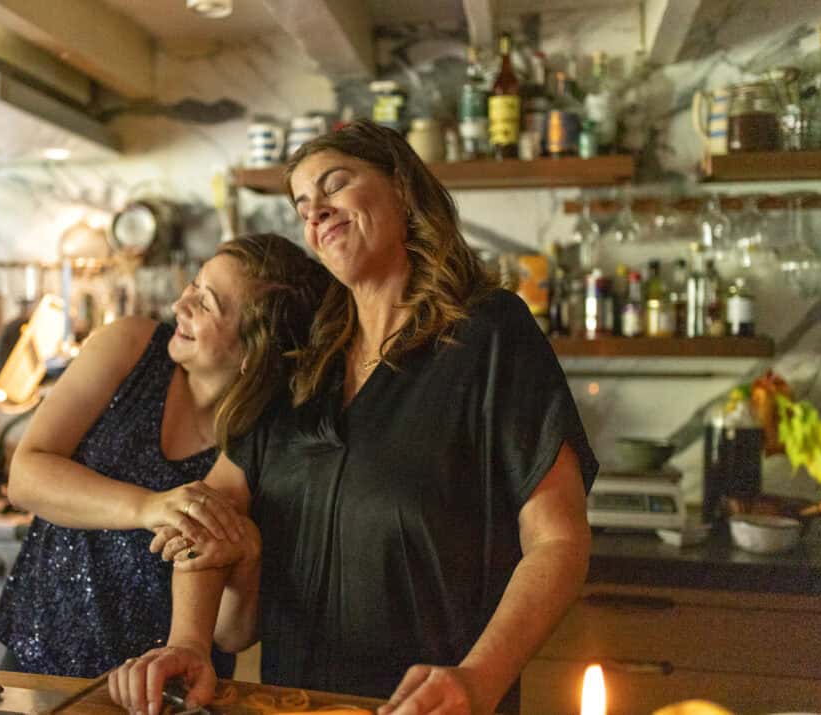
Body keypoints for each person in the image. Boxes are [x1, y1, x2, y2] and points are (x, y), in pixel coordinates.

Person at [110, 120, 599, 714]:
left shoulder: (490, 335)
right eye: (302, 206)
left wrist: (477, 679)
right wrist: (188, 642)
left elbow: (558, 541)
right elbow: (210, 511)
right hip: (296, 704)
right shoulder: (300, 361)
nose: (315, 212)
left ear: (401, 189)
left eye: (335, 185)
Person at [0, 233, 330, 678]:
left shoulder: (261, 440)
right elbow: (26, 476)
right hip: (37, 652)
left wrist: (248, 563)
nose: (180, 305)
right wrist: (150, 507)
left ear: (252, 351)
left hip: (158, 686)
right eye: (195, 286)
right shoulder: (130, 346)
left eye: (207, 304)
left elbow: (230, 635)